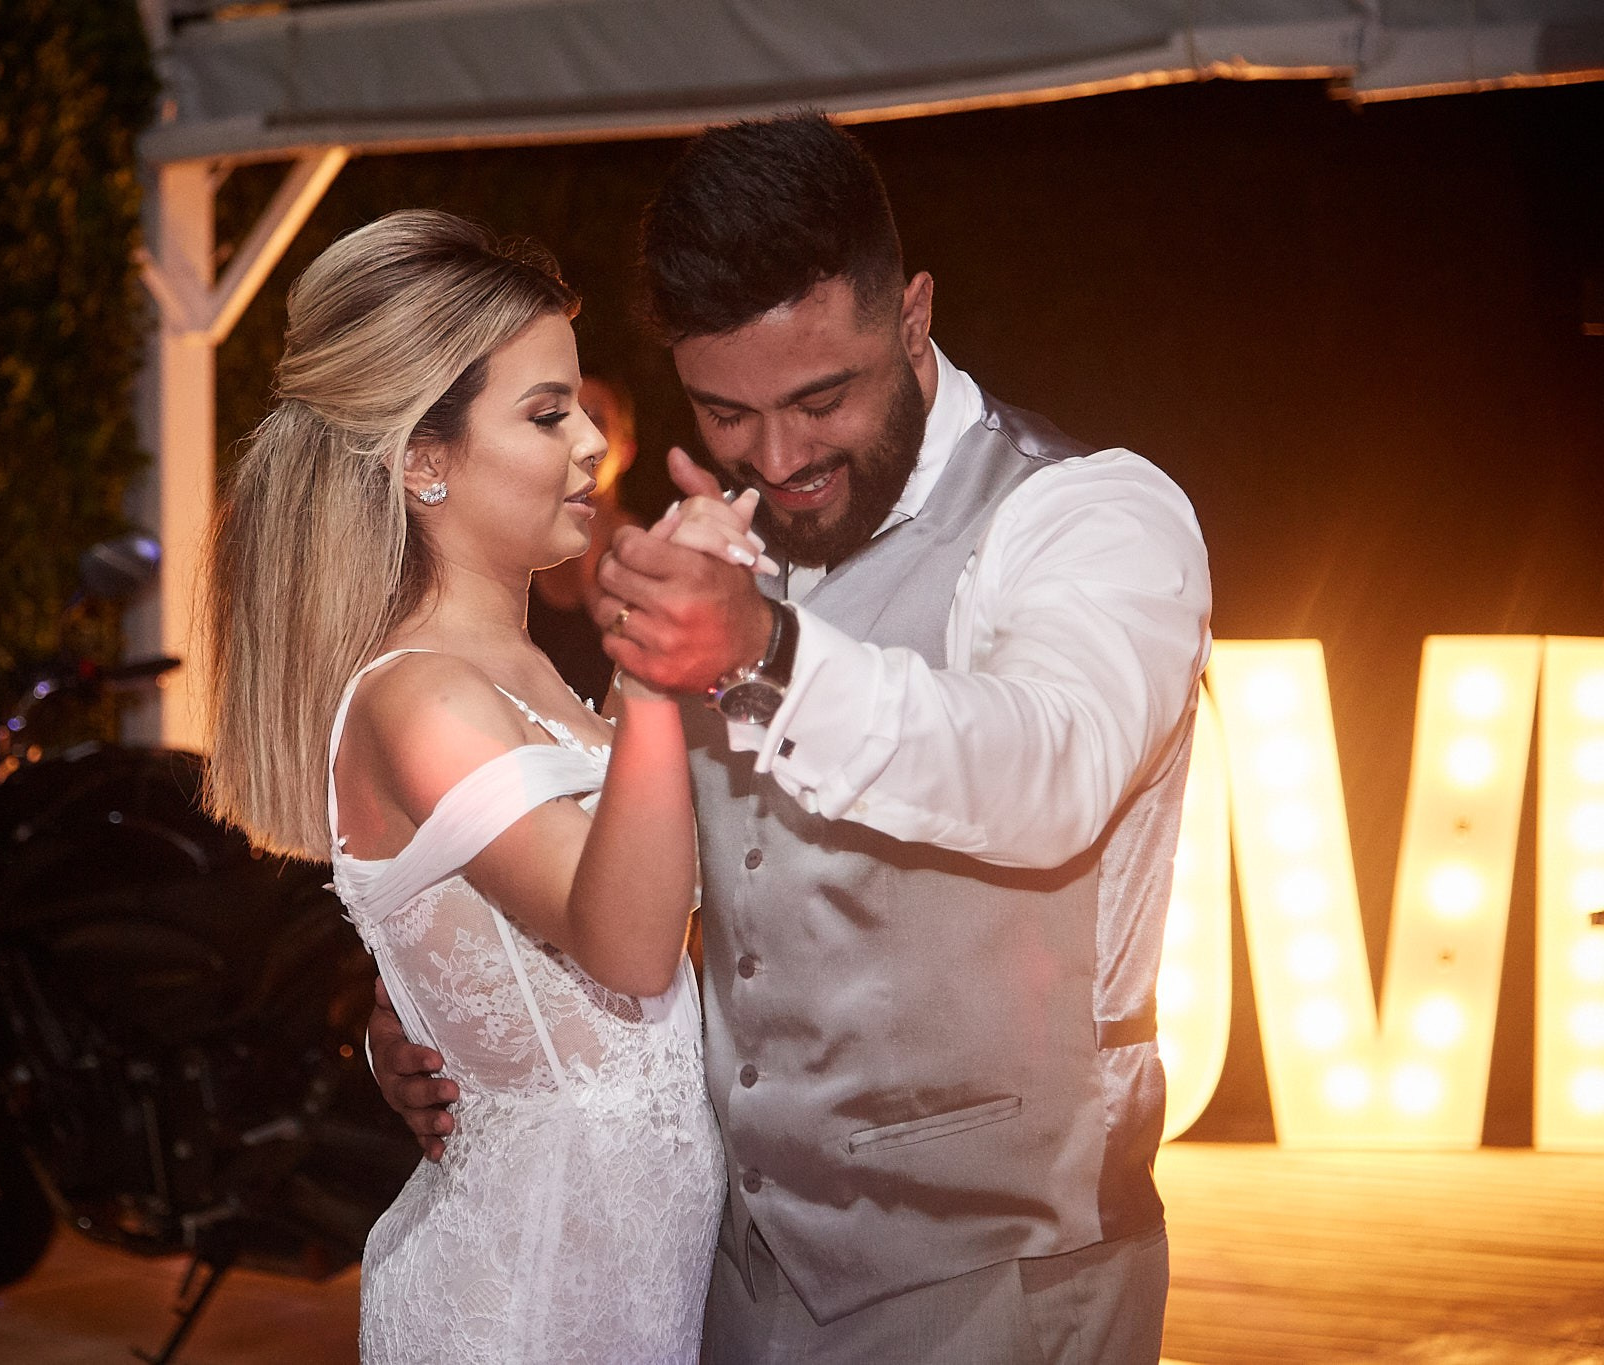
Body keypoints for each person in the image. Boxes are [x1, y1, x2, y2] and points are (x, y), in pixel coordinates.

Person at [370, 115, 1212, 1363]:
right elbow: (608, 873)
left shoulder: (1084, 514)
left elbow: (1048, 769)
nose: (777, 456)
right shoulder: (719, 543)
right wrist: (436, 1013)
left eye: (822, 399)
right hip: (726, 1278)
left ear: (913, 318)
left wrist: (761, 652)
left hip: (998, 1278)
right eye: (726, 411)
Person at [200, 210, 772, 1363]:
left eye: (582, 410)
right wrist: (653, 669)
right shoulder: (418, 696)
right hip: (521, 1307)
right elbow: (625, 944)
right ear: (423, 460)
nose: (590, 444)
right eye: (547, 414)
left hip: (625, 1293)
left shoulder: (531, 678)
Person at [526, 376, 643, 708]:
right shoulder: (524, 546)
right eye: (557, 418)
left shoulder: (646, 549)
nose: (579, 437)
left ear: (626, 451)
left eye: (595, 419)